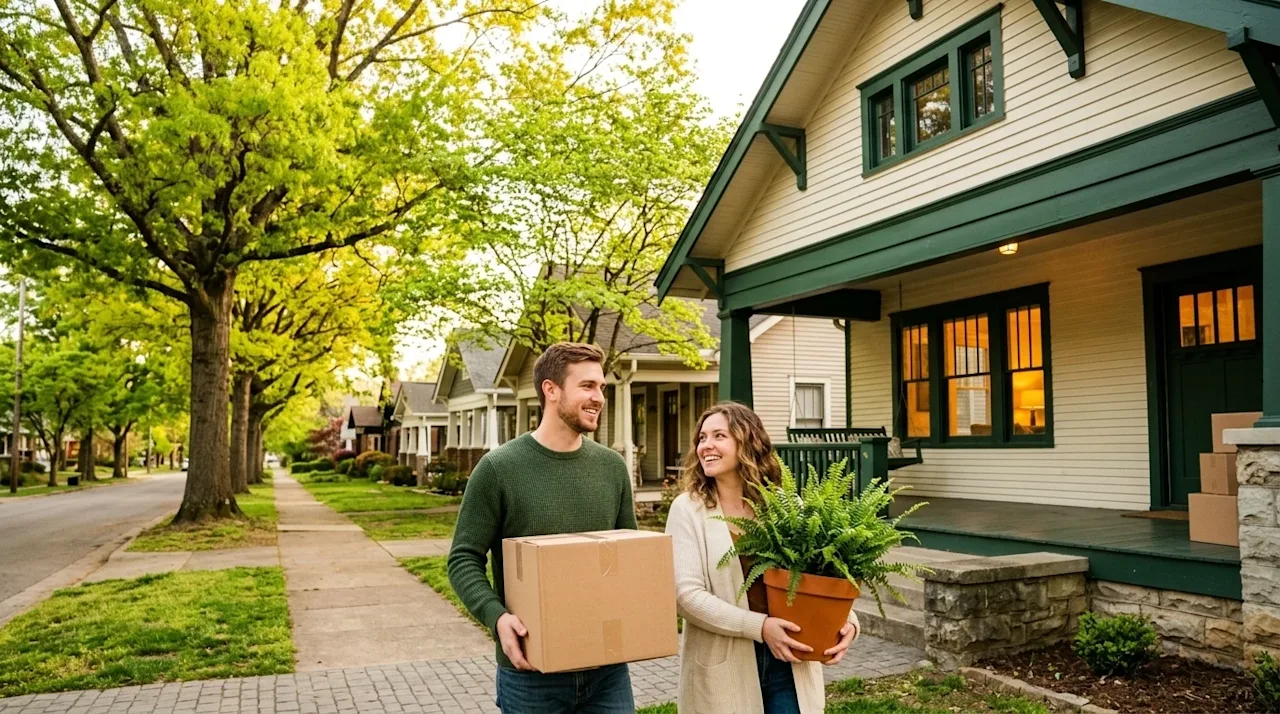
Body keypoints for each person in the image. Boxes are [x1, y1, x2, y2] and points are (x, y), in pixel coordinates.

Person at [447, 342, 638, 714]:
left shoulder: (612, 468)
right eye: (587, 386)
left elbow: (625, 556)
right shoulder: (498, 469)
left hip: (607, 672)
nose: (599, 397)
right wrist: (497, 617)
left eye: (601, 387)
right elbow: (463, 558)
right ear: (551, 390)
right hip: (531, 673)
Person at [665, 402, 860, 714]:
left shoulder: (785, 505)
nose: (706, 446)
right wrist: (760, 627)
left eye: (719, 436)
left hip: (791, 663)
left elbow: (825, 573)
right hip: (724, 667)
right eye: (702, 438)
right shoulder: (688, 509)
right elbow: (685, 595)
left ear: (748, 442)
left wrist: (847, 621)